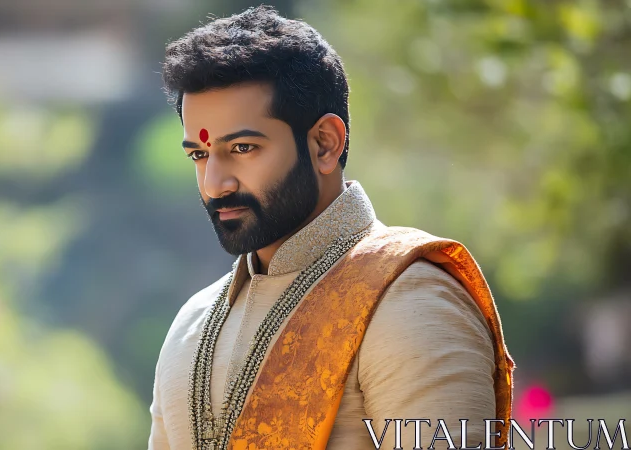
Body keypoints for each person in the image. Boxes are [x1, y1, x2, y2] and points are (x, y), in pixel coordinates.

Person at [148, 5, 514, 450]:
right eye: (199, 155)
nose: (214, 184)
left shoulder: (408, 301)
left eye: (242, 148)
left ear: (325, 143)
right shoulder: (192, 324)